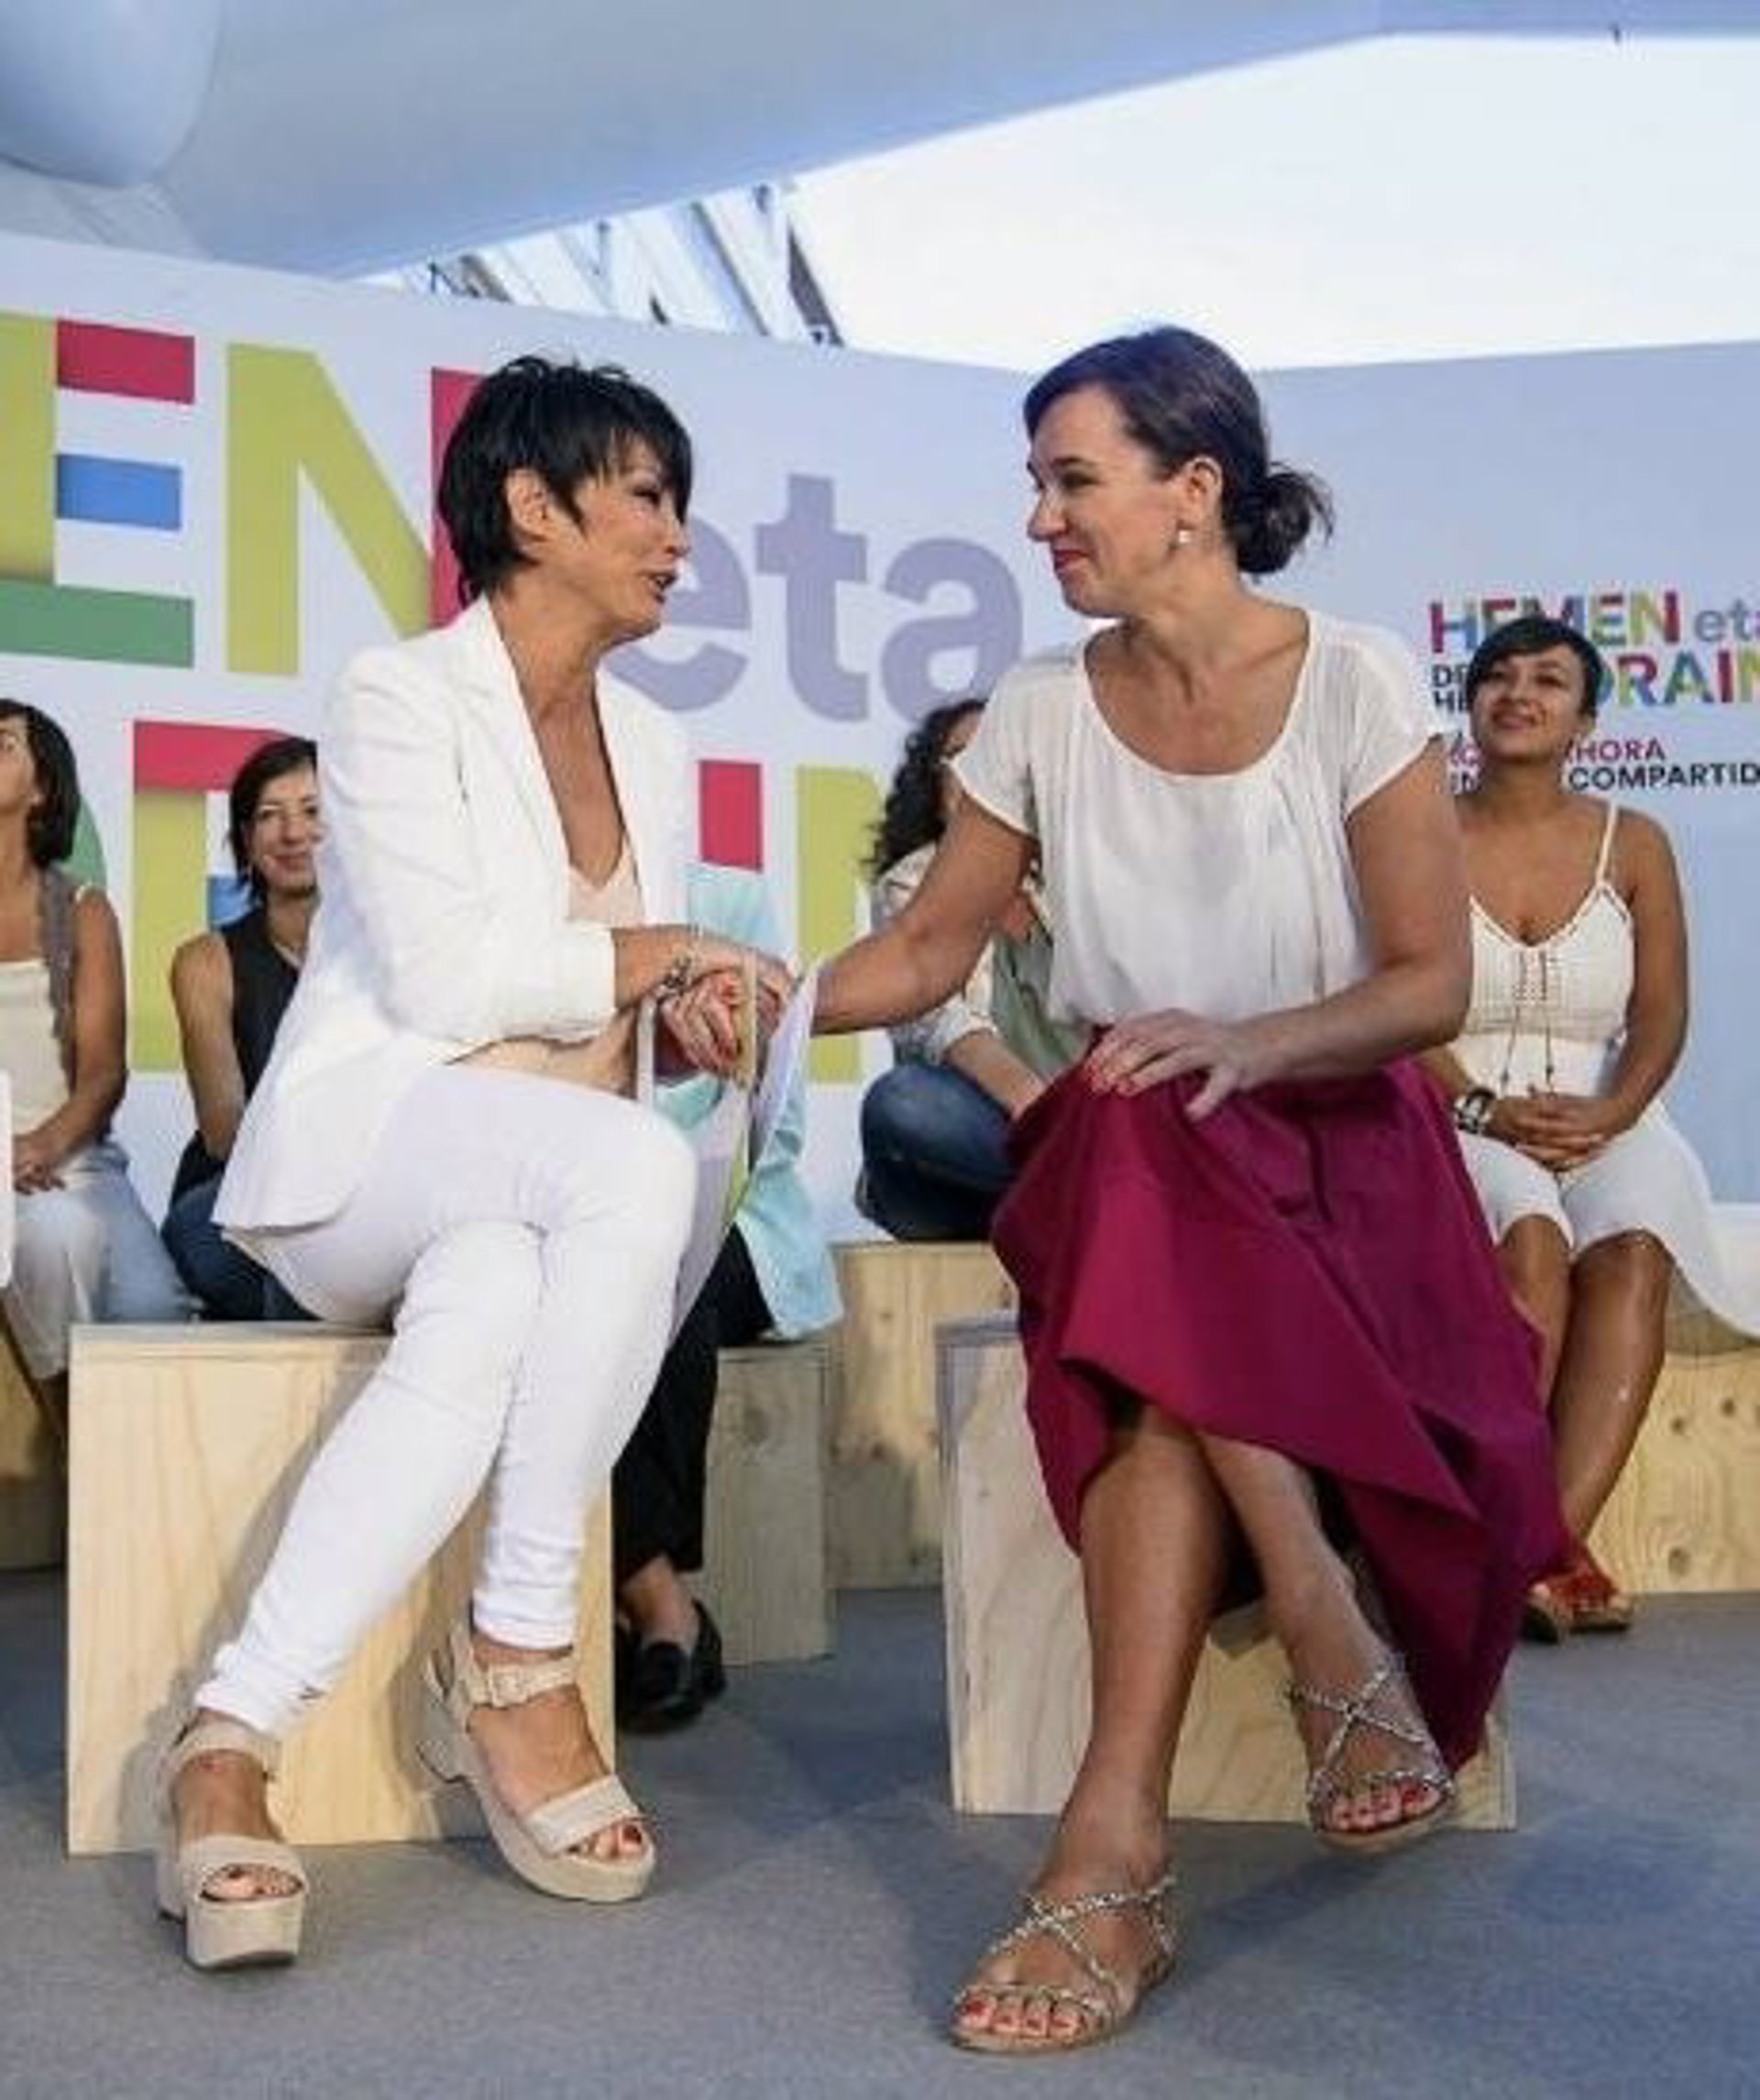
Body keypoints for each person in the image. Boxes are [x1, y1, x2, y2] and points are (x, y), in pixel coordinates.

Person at [812, 326, 1566, 2055]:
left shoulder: (1357, 678)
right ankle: (1314, 1619)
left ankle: (1115, 1853)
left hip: (1341, 1145)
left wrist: (1245, 1040)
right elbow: (925, 950)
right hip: (1145, 1155)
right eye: (1037, 484)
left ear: (1194, 489)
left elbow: (1427, 984)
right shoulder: (1036, 708)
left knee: (1147, 1270)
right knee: (1131, 1116)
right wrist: (757, 996)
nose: (1040, 519)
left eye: (1070, 479)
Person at [156, 356, 789, 1973]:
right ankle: (516, 1653)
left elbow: (606, 1005)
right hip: (373, 1156)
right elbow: (446, 981)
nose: (677, 538)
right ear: (532, 506)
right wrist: (661, 951)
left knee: (504, 1285)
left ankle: (227, 1737)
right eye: (646, 495)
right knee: (632, 1174)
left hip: (528, 1187)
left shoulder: (656, 744)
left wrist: (687, 1019)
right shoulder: (395, 694)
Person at [1422, 614, 1760, 1640]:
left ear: (1588, 722)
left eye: (1548, 680)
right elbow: (1393, 1000)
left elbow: (1662, 1012)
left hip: (1606, 1108)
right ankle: (1530, 1551)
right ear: (1470, 705)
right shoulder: (1418, 833)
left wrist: (1614, 1112)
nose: (1518, 693)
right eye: (1497, 676)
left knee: (1635, 1244)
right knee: (1532, 1240)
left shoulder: (1637, 840)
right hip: (1462, 1107)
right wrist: (1481, 1108)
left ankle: (1540, 1549)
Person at [615, 860, 840, 1731]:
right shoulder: (534, 910)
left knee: (659, 1267)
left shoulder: (728, 900)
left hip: (735, 1212)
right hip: (587, 1218)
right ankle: (655, 1586)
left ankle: (651, 1597)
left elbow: (775, 1119)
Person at [0, 698, 189, 1435]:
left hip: (69, 1155)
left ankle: (140, 1473)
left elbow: (104, 1073)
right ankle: (77, 1446)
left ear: (42, 787)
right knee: (57, 1236)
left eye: (2, 744)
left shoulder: (82, 908)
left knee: (155, 1311)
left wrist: (38, 1147)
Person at [857, 698, 1084, 1240]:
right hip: (993, 1135)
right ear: (936, 788)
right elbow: (939, 1020)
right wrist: (1037, 1111)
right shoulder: (912, 884)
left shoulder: (1079, 878)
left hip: (1083, 1133)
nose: (984, 776)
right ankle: (1082, 1196)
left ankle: (1079, 1195)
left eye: (1002, 759)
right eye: (963, 759)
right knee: (903, 1103)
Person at [162, 736, 320, 1320]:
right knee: (303, 1243)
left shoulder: (389, 954)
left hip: (358, 1192)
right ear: (246, 842)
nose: (294, 833)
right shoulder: (205, 961)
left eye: (313, 811)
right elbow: (224, 1129)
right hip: (229, 1195)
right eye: (270, 815)